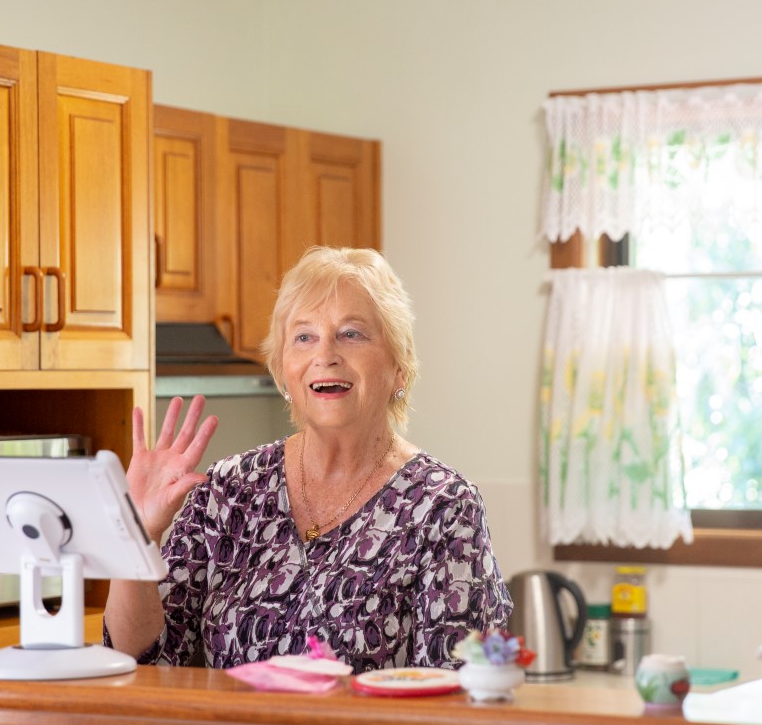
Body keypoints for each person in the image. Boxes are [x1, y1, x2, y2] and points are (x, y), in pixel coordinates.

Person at [103, 246, 512, 672]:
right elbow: (145, 660)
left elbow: (455, 692)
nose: (325, 355)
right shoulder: (229, 489)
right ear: (283, 370)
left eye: (351, 334)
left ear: (399, 368)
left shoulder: (443, 507)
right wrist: (137, 538)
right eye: (304, 337)